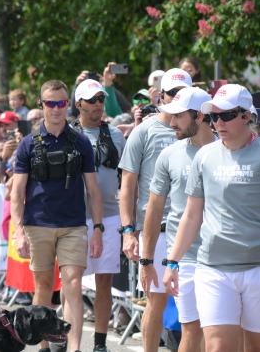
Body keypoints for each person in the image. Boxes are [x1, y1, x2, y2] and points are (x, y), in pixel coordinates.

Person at [164, 84, 260, 352]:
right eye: (213, 116)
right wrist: (172, 262)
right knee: (217, 347)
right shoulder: (205, 156)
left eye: (226, 116)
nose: (218, 122)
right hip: (214, 267)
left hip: (256, 267)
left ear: (245, 115)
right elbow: (192, 215)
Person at [11, 79, 103, 352]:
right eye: (50, 103)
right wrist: (18, 230)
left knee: (73, 285)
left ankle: (73, 349)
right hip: (37, 224)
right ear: (41, 105)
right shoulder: (28, 144)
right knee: (43, 288)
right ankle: (44, 347)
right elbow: (17, 192)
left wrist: (97, 227)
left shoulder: (81, 142)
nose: (56, 109)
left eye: (61, 103)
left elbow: (93, 191)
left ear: (69, 105)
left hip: (73, 225)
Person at [118, 68, 192, 352]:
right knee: (157, 301)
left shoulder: (197, 129)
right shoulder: (144, 131)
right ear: (161, 96)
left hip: (192, 228)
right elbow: (128, 184)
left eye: (183, 94)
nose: (177, 99)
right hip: (156, 229)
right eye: (172, 93)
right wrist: (128, 231)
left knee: (192, 305)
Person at [140, 87, 214, 352]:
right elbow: (153, 210)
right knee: (192, 330)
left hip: (224, 259)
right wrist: (147, 260)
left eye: (179, 117)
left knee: (226, 334)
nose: (172, 123)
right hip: (185, 259)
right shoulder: (169, 154)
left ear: (200, 116)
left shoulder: (227, 150)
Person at [71, 79, 126, 352]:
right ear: (78, 103)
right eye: (91, 100)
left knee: (104, 281)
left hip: (110, 216)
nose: (97, 105)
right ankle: (72, 343)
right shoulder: (68, 134)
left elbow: (127, 178)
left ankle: (100, 344)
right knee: (73, 282)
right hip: (75, 218)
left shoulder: (116, 135)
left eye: (101, 99)